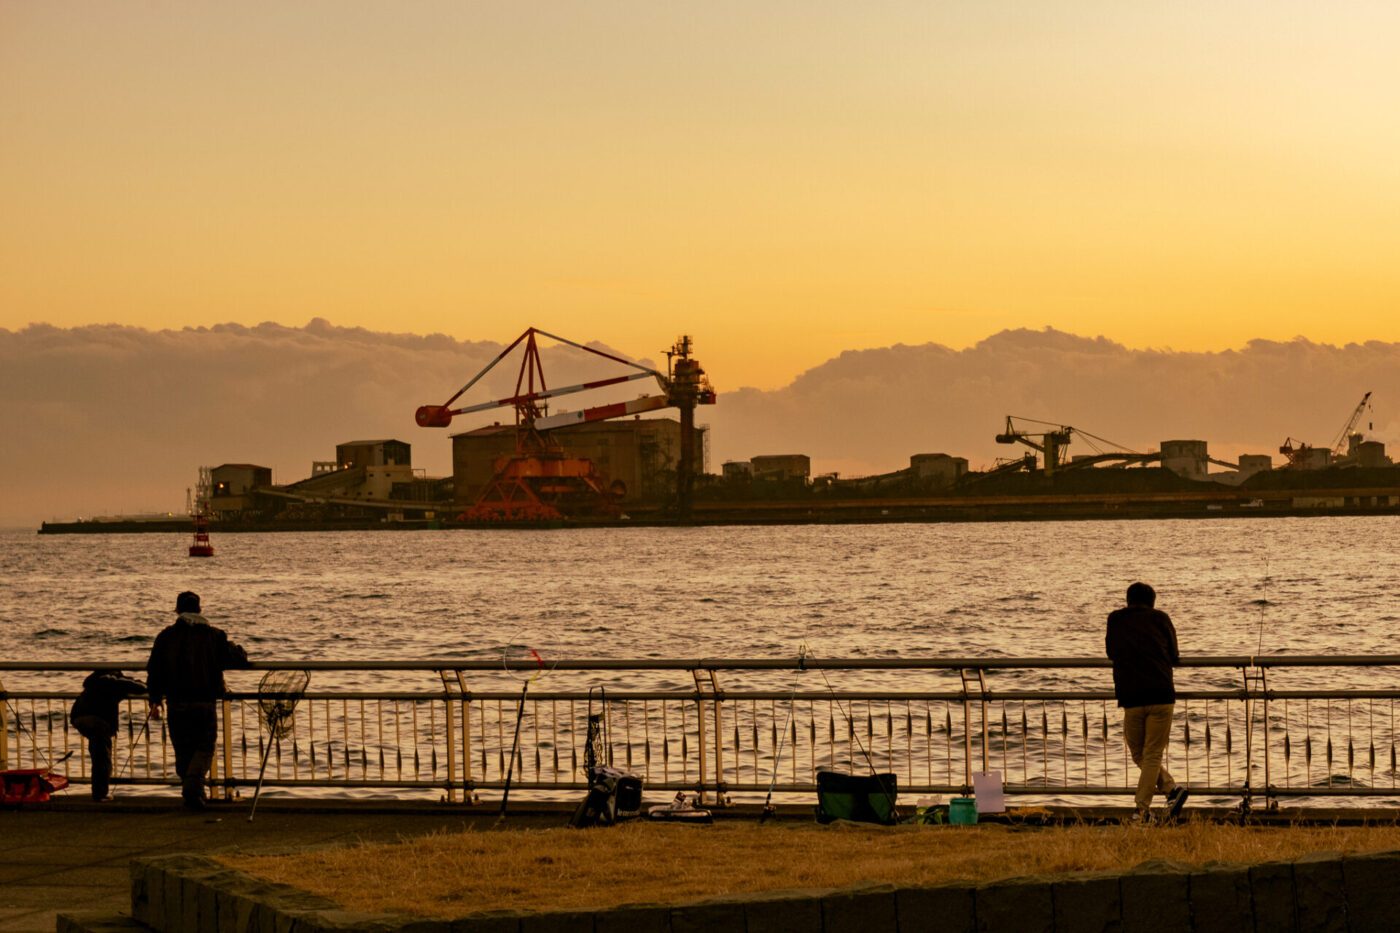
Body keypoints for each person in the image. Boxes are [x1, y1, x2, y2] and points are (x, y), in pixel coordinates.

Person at [146, 591, 250, 810]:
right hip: (204, 701)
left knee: (182, 749)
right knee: (204, 748)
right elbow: (237, 658)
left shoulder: (165, 636)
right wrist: (239, 649)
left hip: (175, 703)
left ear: (177, 611)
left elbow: (154, 670)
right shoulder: (215, 636)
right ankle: (193, 789)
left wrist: (154, 700)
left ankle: (191, 790)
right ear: (200, 610)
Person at [1106, 581, 1188, 823]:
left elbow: (1111, 652)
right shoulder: (1161, 619)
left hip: (1130, 695)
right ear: (1152, 601)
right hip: (1161, 693)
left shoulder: (1115, 619)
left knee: (1141, 754)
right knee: (1147, 754)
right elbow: (1174, 655)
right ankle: (1172, 791)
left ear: (1128, 600)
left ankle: (1141, 811)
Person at [70, 669, 147, 801]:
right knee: (102, 757)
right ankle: (100, 794)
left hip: (78, 717)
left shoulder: (92, 683)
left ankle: (99, 791)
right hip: (98, 720)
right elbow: (140, 687)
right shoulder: (112, 681)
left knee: (97, 753)